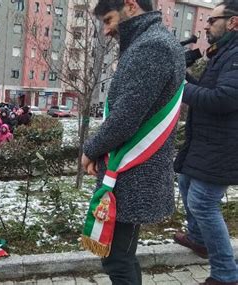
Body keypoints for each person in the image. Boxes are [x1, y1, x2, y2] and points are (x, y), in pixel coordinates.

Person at [81, 0, 185, 284]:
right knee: (121, 256)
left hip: (134, 172)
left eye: (108, 20)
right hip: (134, 169)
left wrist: (90, 150)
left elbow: (126, 117)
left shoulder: (151, 47)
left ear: (130, 5)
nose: (106, 30)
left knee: (118, 259)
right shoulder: (151, 42)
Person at [173, 1, 238, 284]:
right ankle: (199, 239)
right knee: (185, 182)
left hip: (223, 146)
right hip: (206, 142)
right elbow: (207, 90)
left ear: (233, 22)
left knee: (203, 203)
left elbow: (224, 99)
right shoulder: (223, 53)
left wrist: (182, 88)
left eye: (212, 20)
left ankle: (226, 273)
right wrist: (179, 75)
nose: (206, 26)